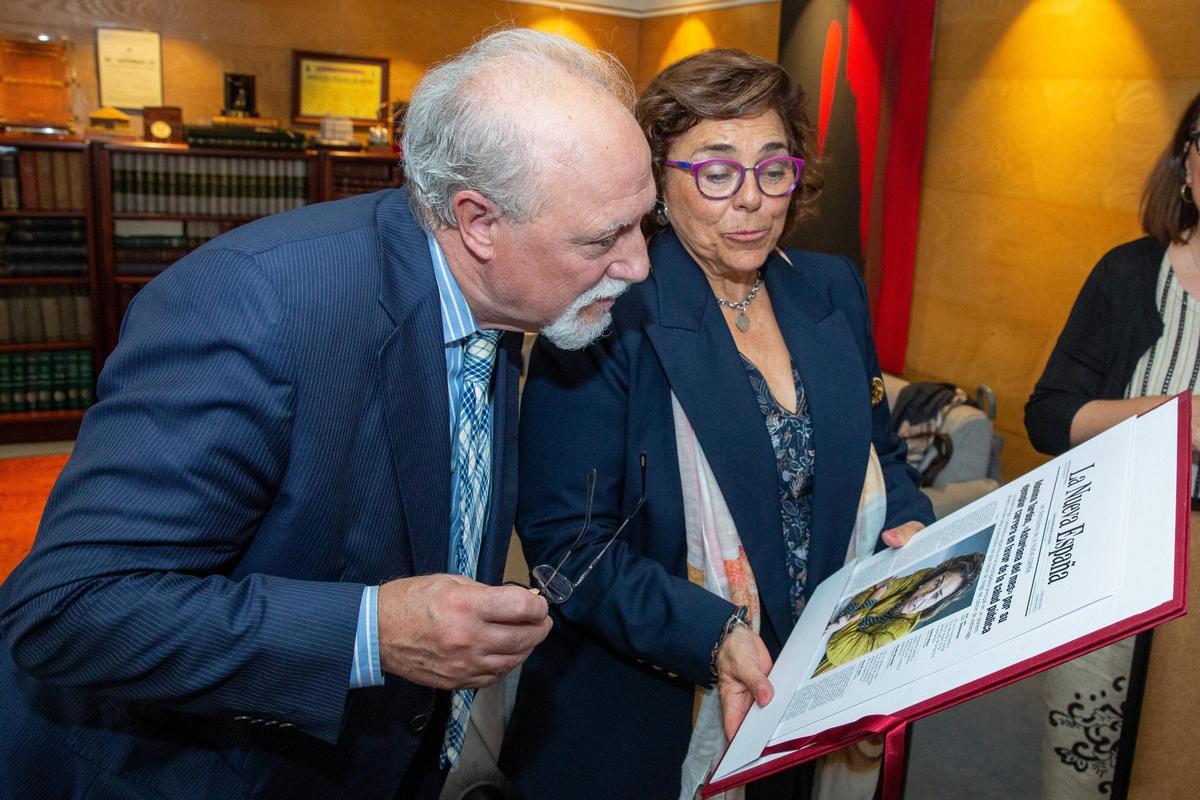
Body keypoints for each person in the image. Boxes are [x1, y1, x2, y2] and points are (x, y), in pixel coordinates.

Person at [0, 29, 656, 800]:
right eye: (604, 237)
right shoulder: (255, 308)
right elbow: (68, 611)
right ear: (477, 221)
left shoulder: (512, 300)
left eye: (643, 223)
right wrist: (371, 633)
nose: (638, 263)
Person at [499, 49, 933, 800]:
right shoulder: (602, 314)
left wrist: (915, 524)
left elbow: (881, 452)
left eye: (773, 168)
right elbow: (570, 543)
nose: (753, 200)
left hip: (804, 691)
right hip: (642, 718)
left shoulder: (828, 288)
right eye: (717, 171)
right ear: (658, 182)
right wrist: (716, 633)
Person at [1024, 91, 1200, 799]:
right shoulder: (1129, 275)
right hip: (1111, 571)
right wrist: (1175, 415)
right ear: (1186, 165)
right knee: (1082, 772)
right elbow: (1047, 417)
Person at [814, 553, 983, 675]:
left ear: (938, 603)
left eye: (937, 595)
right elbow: (874, 587)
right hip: (820, 623)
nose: (926, 596)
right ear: (932, 577)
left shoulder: (901, 629)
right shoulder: (912, 582)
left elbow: (840, 651)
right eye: (936, 583)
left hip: (818, 666)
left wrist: (852, 617)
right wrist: (854, 615)